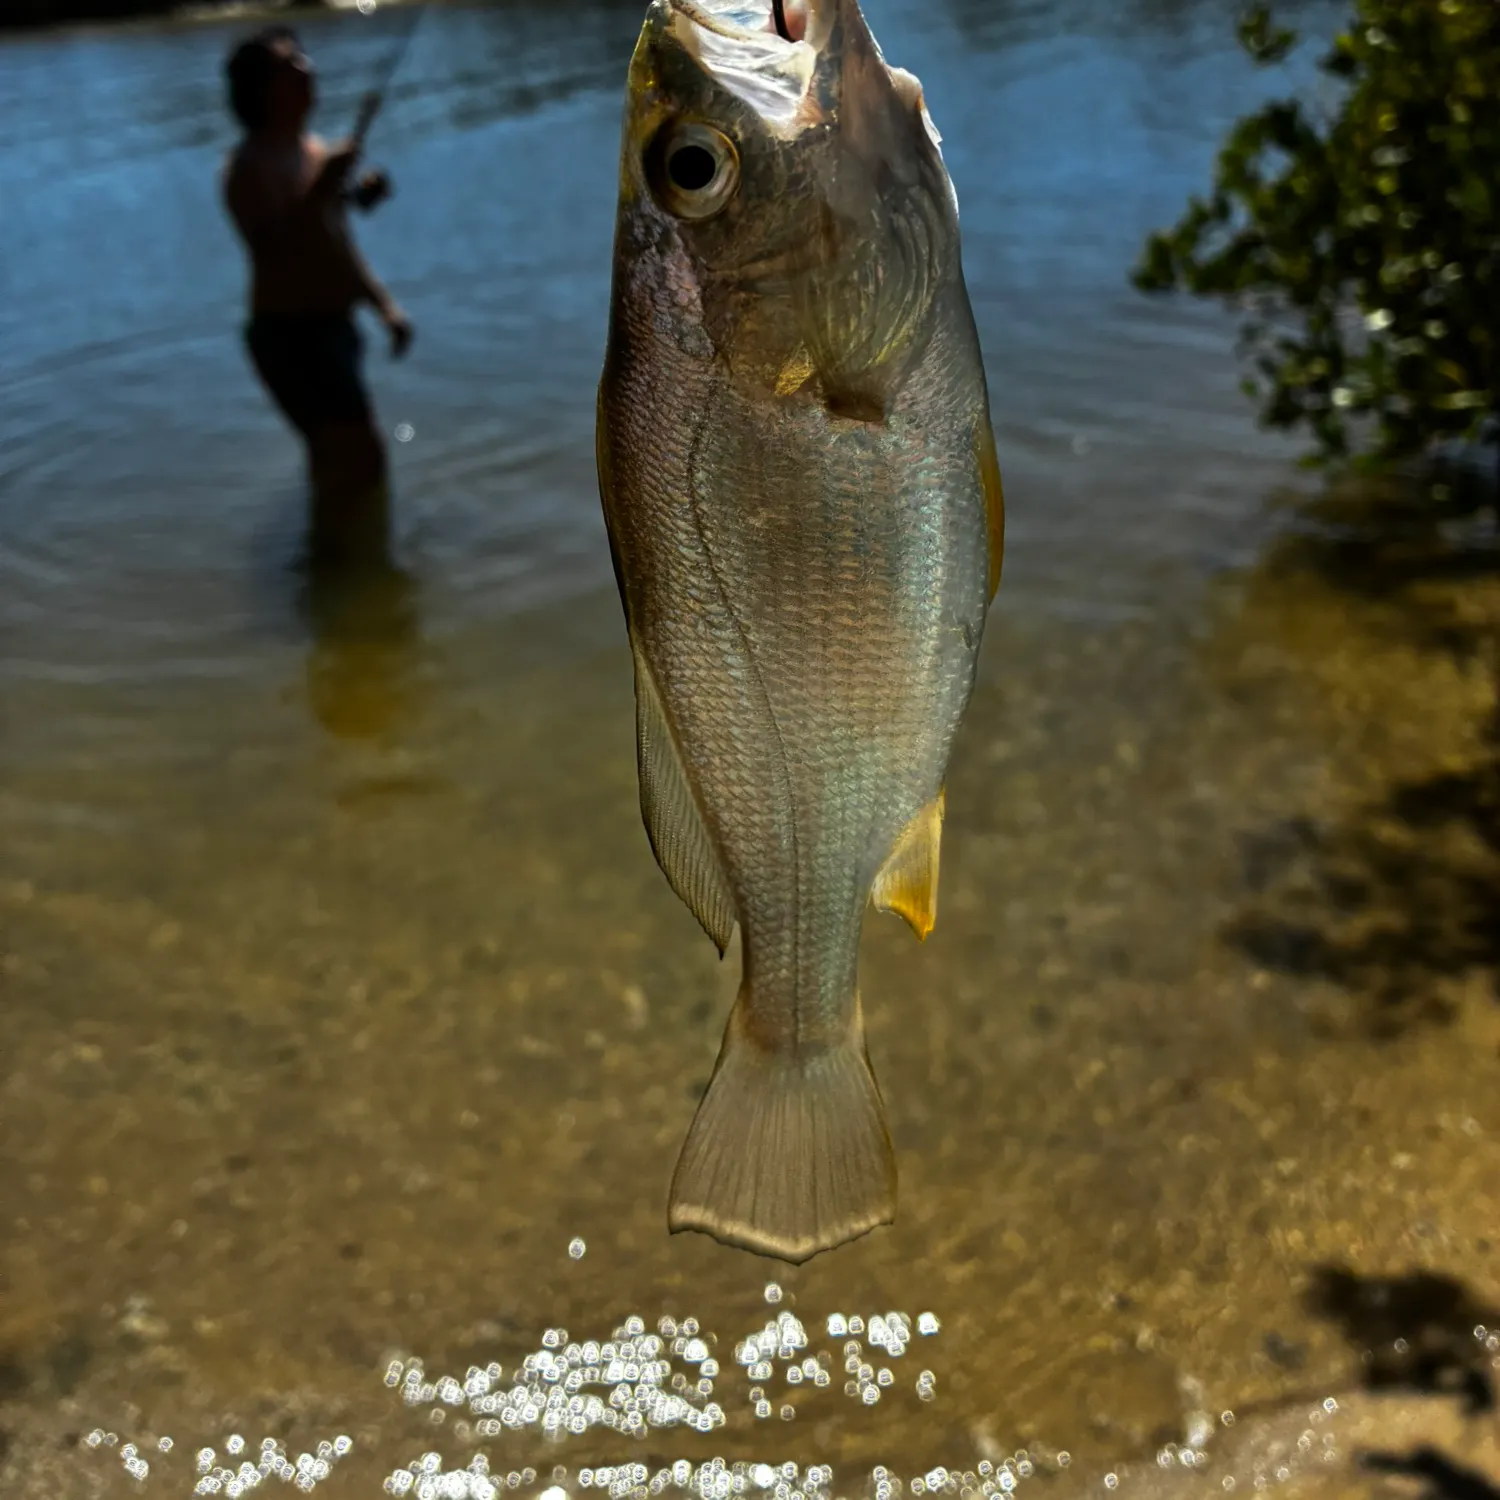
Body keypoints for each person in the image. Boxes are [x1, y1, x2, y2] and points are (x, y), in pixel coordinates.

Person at [221, 25, 413, 565]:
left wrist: (385, 306)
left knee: (347, 459)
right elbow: (278, 251)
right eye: (289, 64)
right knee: (354, 455)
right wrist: (324, 188)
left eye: (303, 59)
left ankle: (344, 557)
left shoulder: (310, 151)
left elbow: (335, 244)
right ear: (260, 90)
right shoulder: (246, 168)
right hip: (289, 340)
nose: (307, 68)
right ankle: (341, 570)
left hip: (336, 331)